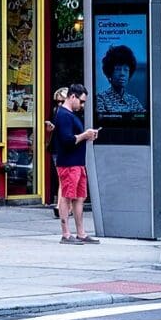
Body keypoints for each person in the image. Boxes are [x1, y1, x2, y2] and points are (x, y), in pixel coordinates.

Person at [55, 83, 100, 244]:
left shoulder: (71, 115)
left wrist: (87, 135)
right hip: (68, 163)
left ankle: (81, 233)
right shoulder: (63, 115)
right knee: (67, 196)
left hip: (78, 162)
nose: (82, 105)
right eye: (81, 101)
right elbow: (67, 140)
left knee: (80, 197)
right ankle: (66, 233)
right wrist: (85, 135)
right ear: (72, 97)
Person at [94, 44, 144, 114]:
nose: (122, 74)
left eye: (126, 70)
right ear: (110, 72)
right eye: (118, 69)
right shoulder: (100, 99)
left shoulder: (134, 101)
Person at [43, 86, 68, 218]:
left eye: (62, 101)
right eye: (57, 101)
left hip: (64, 148)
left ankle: (61, 205)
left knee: (64, 178)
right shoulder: (57, 112)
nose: (59, 104)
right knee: (63, 178)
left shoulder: (69, 113)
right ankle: (61, 205)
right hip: (58, 148)